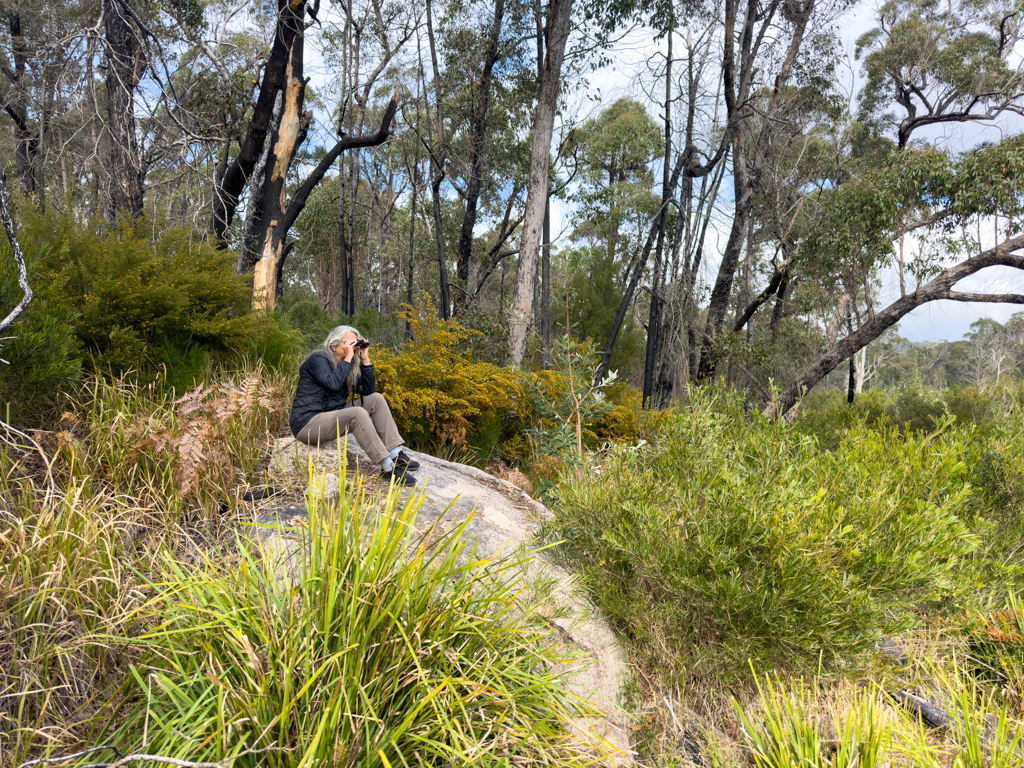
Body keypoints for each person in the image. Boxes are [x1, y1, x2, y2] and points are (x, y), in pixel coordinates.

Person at [289, 325, 420, 487]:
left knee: (376, 399)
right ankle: (387, 467)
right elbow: (333, 384)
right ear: (334, 346)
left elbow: (369, 391)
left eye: (355, 344)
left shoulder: (347, 365)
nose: (353, 348)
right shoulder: (318, 359)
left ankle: (394, 453)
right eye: (349, 343)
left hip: (332, 414)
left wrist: (365, 359)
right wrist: (348, 359)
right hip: (307, 424)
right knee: (357, 413)